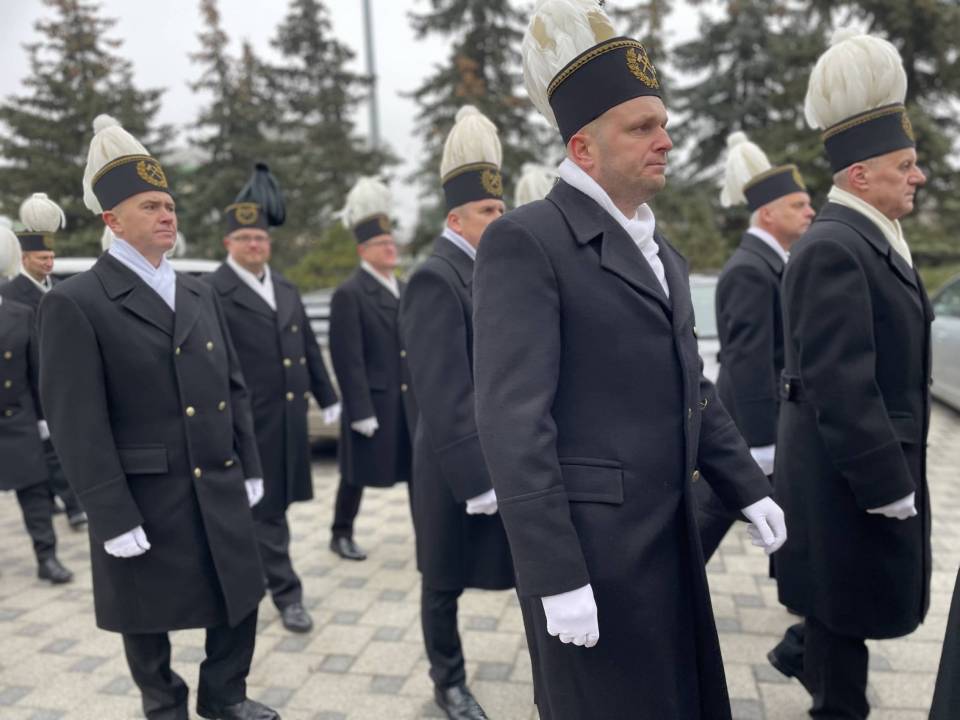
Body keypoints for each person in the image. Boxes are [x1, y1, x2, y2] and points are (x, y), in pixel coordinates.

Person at [472, 2, 787, 718]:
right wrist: (554, 574)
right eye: (642, 127)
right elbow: (513, 422)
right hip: (594, 558)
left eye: (663, 124)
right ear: (583, 148)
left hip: (669, 540)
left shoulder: (660, 252)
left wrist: (747, 486)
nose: (665, 140)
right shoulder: (528, 241)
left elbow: (691, 387)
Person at [37, 114, 279, 720]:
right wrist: (109, 514)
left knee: (240, 592)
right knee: (145, 616)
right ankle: (163, 706)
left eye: (169, 205)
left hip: (217, 477)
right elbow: (76, 422)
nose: (167, 215)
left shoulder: (199, 291)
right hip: (145, 491)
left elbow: (233, 387)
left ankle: (225, 696)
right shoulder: (76, 302)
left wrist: (250, 463)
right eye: (150, 206)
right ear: (112, 220)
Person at [773, 31, 933, 719]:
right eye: (906, 165)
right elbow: (840, 386)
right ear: (861, 176)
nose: (918, 177)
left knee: (844, 615)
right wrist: (886, 485)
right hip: (847, 483)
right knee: (844, 629)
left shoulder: (868, 236)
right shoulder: (835, 246)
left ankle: (802, 656)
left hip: (853, 476)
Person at [399, 105, 515, 720]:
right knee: (443, 581)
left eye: (501, 209)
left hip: (499, 453)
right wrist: (476, 479)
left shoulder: (487, 270)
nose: (499, 219)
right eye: (487, 211)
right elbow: (442, 391)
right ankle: (448, 682)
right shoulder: (435, 279)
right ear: (455, 219)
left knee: (527, 566)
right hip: (454, 460)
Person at [208, 182, 340, 634]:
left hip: (285, 421)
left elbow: (307, 348)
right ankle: (287, 593)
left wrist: (327, 396)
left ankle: (257, 577)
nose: (254, 244)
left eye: (261, 237)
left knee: (273, 506)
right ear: (228, 243)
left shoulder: (283, 286)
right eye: (245, 237)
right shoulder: (212, 290)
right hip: (243, 423)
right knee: (265, 512)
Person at [695, 132, 814, 560]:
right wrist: (762, 444)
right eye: (798, 205)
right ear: (767, 213)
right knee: (702, 526)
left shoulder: (769, 264)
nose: (810, 211)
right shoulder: (751, 270)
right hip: (748, 430)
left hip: (759, 428)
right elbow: (748, 362)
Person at [328, 177, 413, 561]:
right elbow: (348, 358)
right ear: (363, 250)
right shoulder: (350, 293)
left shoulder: (405, 287)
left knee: (418, 472)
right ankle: (340, 532)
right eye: (381, 244)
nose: (390, 248)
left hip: (407, 399)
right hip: (374, 401)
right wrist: (359, 410)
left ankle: (428, 533)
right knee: (356, 473)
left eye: (391, 242)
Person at [0, 193, 87, 530]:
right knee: (49, 448)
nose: (49, 263)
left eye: (52, 256)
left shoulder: (61, 288)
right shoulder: (11, 295)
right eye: (42, 257)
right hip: (34, 382)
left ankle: (70, 500)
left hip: (69, 376)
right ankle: (71, 505)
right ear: (24, 258)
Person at [0, 224, 72, 584]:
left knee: (36, 494)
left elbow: (35, 372)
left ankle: (47, 557)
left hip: (17, 419)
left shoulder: (19, 313)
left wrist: (44, 420)